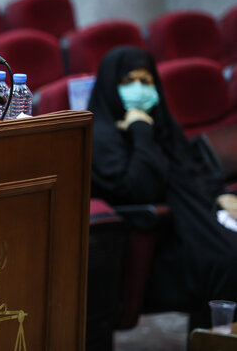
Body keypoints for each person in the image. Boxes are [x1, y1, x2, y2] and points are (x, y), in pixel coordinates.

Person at [88, 46, 237, 326]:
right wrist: (140, 131)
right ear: (110, 85)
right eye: (129, 81)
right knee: (228, 262)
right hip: (150, 247)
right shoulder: (100, 135)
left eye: (146, 81)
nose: (140, 90)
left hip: (189, 227)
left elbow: (193, 171)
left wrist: (221, 197)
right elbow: (139, 188)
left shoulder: (164, 126)